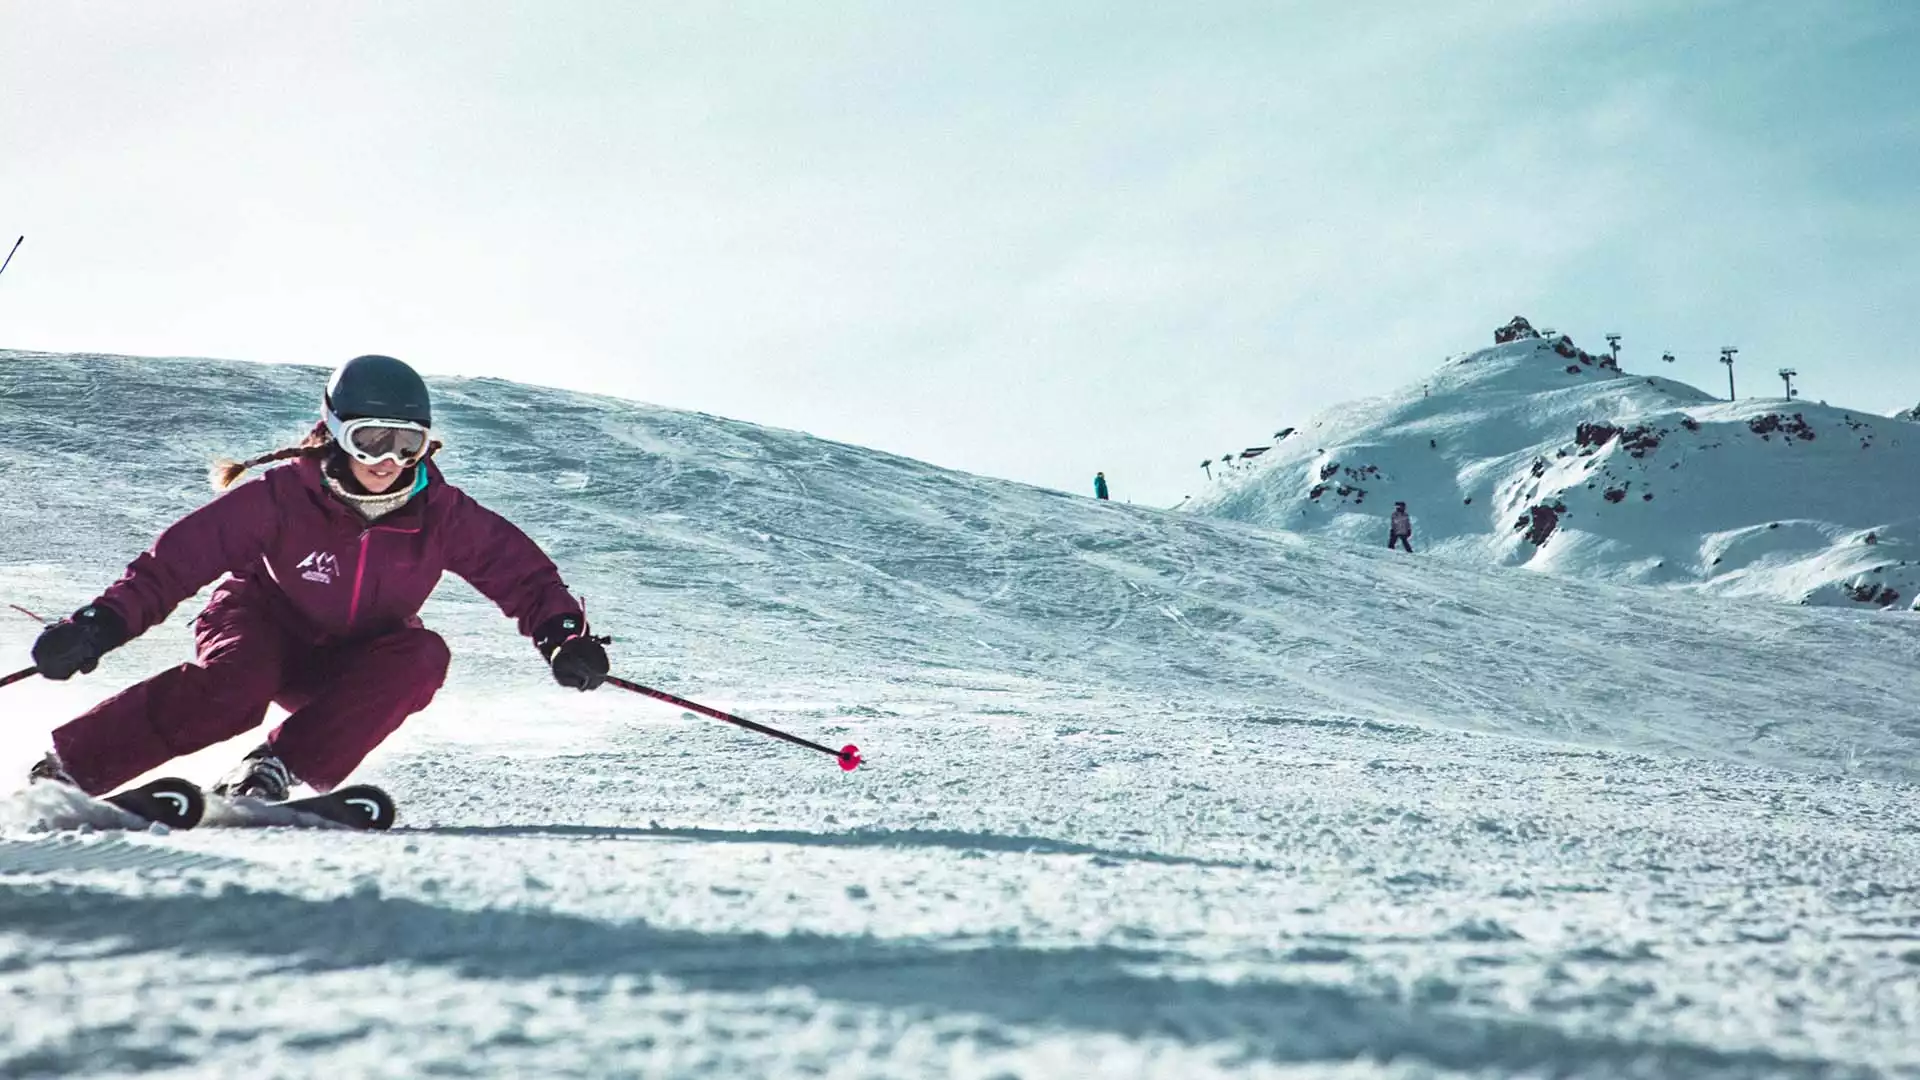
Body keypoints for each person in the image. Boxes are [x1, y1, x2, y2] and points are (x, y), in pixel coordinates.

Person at [23, 354, 612, 802]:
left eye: (407, 444)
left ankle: (271, 769)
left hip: (350, 661)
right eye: (371, 439)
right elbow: (173, 565)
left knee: (423, 654)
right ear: (334, 431)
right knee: (235, 688)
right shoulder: (281, 499)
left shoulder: (443, 515)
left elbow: (524, 578)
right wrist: (98, 626)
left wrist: (563, 636)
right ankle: (69, 772)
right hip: (259, 623)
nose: (387, 460)